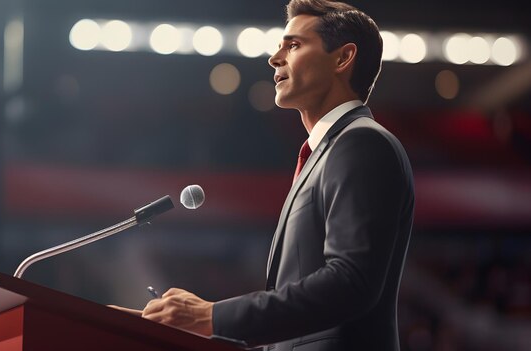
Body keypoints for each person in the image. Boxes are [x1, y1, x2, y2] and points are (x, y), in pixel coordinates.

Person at [117, 1, 415, 350]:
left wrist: (210, 316)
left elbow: (351, 284)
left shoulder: (362, 142)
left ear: (342, 58)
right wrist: (179, 325)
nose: (275, 58)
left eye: (293, 45)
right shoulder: (327, 152)